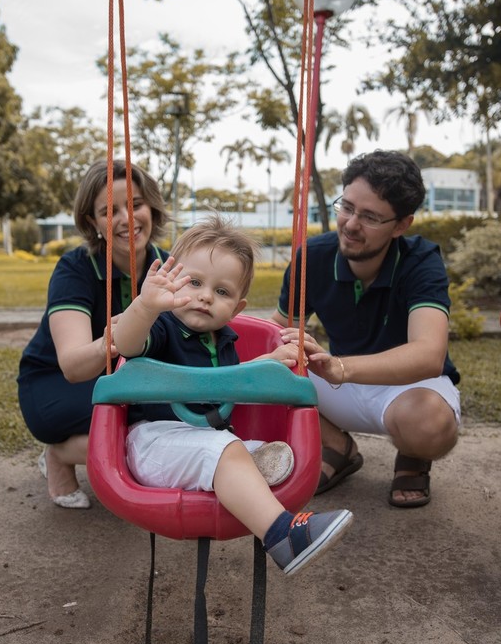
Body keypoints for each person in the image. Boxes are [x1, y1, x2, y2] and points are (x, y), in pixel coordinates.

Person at [111, 216, 353, 575]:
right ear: (172, 280)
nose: (206, 296)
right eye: (194, 282)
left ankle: (239, 476)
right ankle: (283, 536)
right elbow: (127, 344)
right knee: (225, 449)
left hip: (198, 441)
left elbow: (225, 380)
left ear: (237, 309)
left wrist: (270, 362)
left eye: (222, 292)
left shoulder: (223, 341)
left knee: (271, 454)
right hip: (153, 443)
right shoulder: (161, 327)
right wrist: (145, 306)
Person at [270, 150, 461, 508]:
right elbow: (278, 330)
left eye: (370, 217)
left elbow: (429, 355)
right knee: (263, 367)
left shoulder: (420, 261)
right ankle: (337, 447)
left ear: (401, 225)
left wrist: (340, 367)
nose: (351, 224)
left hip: (410, 389)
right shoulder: (313, 256)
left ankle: (413, 455)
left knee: (429, 426)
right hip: (340, 384)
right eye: (347, 207)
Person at [17, 159, 169, 509]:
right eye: (109, 211)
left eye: (136, 205)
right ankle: (59, 453)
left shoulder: (169, 266)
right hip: (58, 382)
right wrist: (119, 334)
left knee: (167, 415)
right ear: (92, 222)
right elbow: (72, 366)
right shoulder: (75, 268)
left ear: (152, 208)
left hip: (128, 380)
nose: (127, 219)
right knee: (144, 419)